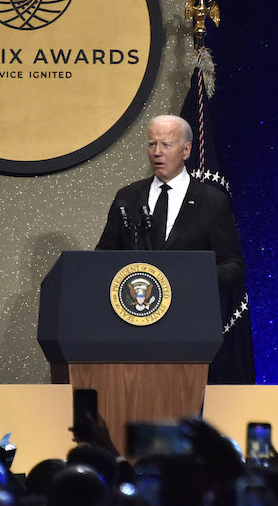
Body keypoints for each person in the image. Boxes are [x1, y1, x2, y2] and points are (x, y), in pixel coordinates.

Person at [95, 114, 248, 382]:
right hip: (133, 331)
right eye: (151, 144)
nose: (156, 152)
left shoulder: (212, 202)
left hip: (189, 330)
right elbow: (103, 259)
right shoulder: (128, 198)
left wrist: (189, 278)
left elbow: (233, 267)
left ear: (186, 150)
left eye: (165, 145)